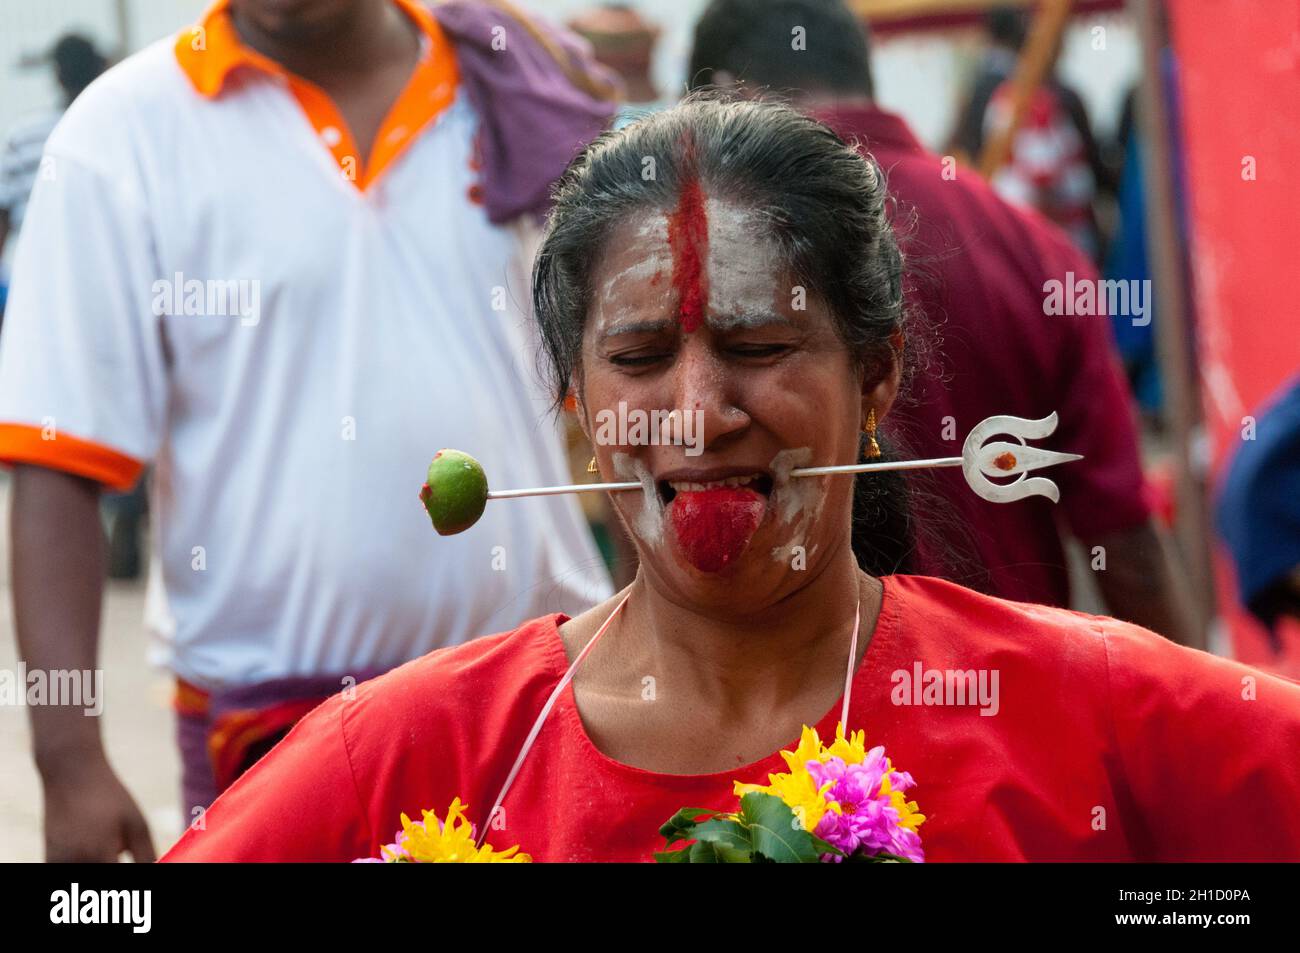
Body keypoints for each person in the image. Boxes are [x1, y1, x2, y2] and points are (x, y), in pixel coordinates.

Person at [163, 97, 1300, 862]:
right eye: (640, 357)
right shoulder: (416, 755)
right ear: (576, 402)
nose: (698, 414)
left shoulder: (1092, 712)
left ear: (874, 373)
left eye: (759, 348)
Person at [0, 0, 616, 862]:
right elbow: (56, 463)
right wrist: (68, 764)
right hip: (274, 730)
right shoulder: (120, 135)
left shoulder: (519, 87)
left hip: (540, 697)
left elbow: (631, 396)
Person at [684, 0, 1195, 645]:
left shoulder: (704, 265)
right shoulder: (1035, 251)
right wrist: (1193, 714)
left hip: (803, 731)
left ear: (727, 95)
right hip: (1013, 705)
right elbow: (1125, 541)